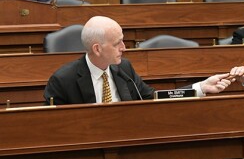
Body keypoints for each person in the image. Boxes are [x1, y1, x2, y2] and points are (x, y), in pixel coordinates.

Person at [44, 16, 232, 105]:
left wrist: (200, 88)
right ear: (97, 49)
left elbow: (154, 98)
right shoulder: (63, 80)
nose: (124, 48)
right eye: (117, 43)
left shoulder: (124, 69)